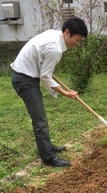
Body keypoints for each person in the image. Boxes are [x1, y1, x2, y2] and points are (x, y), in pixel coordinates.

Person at [11, 17, 88, 167]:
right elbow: (45, 77)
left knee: (41, 118)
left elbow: (43, 69)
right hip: (24, 79)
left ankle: (47, 147)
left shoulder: (54, 35)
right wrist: (65, 93)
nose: (77, 44)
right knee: (40, 121)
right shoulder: (55, 49)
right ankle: (48, 158)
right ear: (67, 32)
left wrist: (44, 71)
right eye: (77, 40)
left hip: (27, 75)